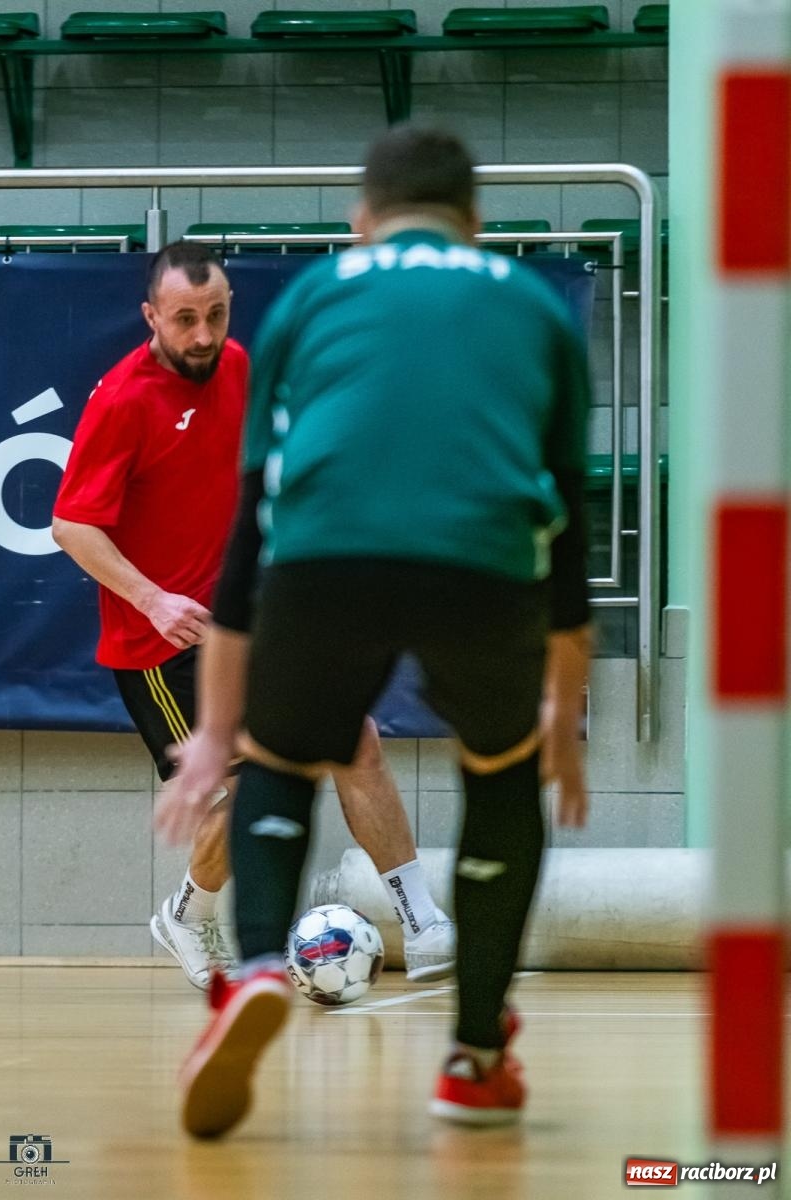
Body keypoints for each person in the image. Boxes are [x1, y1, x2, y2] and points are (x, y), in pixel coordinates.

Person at [155, 125, 591, 1138]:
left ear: (361, 222)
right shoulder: (526, 301)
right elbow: (565, 520)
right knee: (500, 768)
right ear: (474, 223)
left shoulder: (312, 297)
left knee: (277, 756)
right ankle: (476, 1057)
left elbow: (251, 541)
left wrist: (218, 733)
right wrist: (562, 714)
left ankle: (257, 965)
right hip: (478, 562)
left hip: (322, 562)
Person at [52, 240, 455, 991]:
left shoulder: (240, 366)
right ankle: (187, 913)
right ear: (150, 316)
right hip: (160, 642)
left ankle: (424, 919)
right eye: (184, 320)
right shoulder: (122, 400)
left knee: (356, 739)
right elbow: (71, 525)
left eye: (215, 315)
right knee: (243, 791)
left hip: (249, 620)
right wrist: (152, 597)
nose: (203, 335)